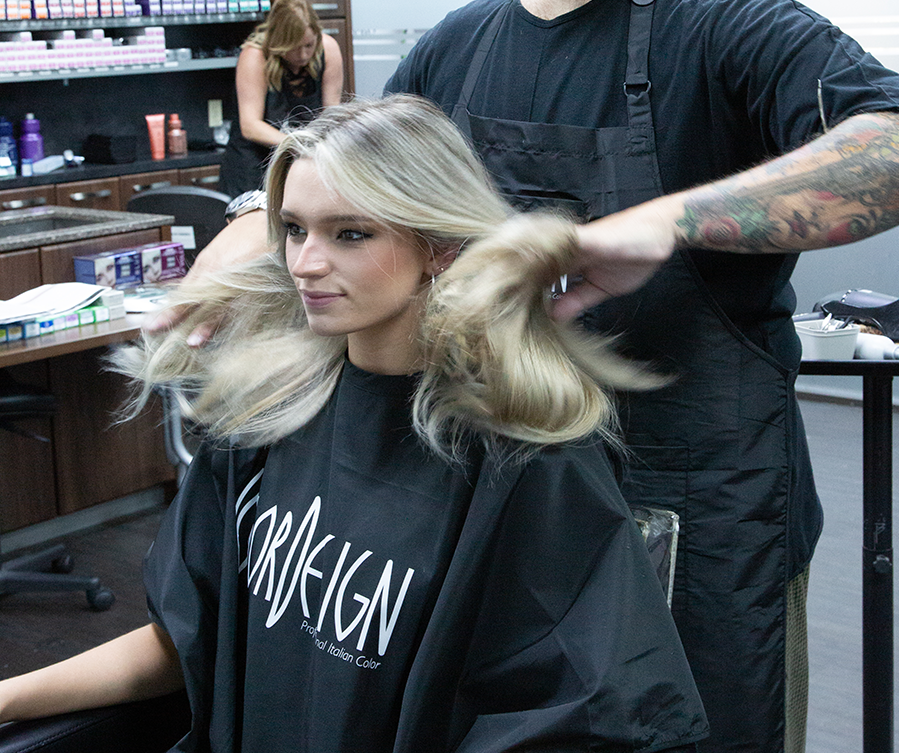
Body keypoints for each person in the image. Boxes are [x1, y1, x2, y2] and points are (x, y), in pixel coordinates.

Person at [147, 0, 899, 753]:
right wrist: (216, 273)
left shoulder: (720, 26)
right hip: (509, 517)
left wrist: (668, 222)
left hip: (698, 520)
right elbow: (353, 202)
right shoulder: (456, 47)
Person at [0, 95, 708, 753]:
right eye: (295, 229)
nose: (306, 263)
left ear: (440, 244)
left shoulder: (525, 463)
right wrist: (9, 696)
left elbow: (594, 713)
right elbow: (186, 637)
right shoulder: (266, 418)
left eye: (350, 233)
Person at [219, 0, 343, 197]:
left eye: (309, 45)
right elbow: (250, 126)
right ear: (279, 42)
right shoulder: (254, 56)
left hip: (304, 161)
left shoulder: (328, 49)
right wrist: (299, 144)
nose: (303, 55)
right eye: (294, 47)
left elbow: (331, 113)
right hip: (254, 165)